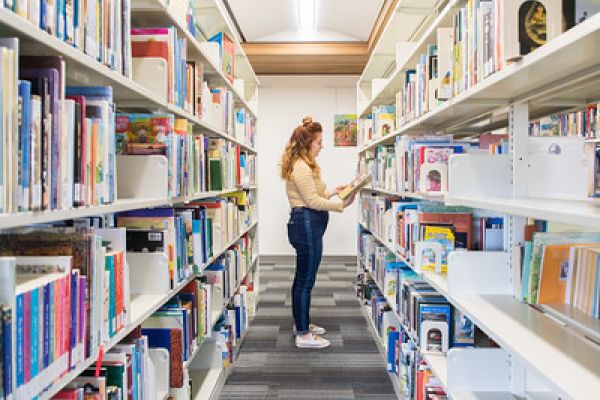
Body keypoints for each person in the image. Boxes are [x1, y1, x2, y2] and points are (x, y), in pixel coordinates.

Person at [280, 116, 356, 349]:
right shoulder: (301, 167)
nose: (322, 145)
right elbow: (312, 201)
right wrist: (341, 205)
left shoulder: (308, 163)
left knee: (304, 278)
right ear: (307, 143)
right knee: (305, 279)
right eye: (319, 141)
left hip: (309, 225)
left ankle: (301, 323)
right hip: (305, 225)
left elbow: (317, 193)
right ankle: (303, 335)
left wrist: (335, 191)